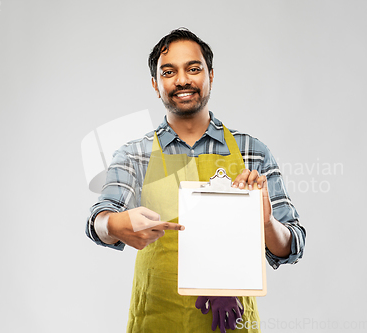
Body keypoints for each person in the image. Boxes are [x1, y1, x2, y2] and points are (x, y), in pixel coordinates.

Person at [86, 28, 306, 333]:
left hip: (233, 325)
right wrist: (115, 225)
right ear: (155, 84)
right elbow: (99, 220)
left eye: (193, 69)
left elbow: (292, 246)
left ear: (210, 76)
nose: (182, 80)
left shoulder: (251, 152)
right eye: (169, 71)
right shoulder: (135, 155)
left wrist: (267, 224)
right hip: (156, 320)